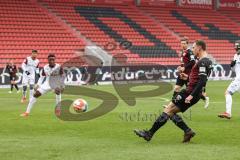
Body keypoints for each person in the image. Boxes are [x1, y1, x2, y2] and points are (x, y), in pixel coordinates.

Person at [134, 40, 212, 143]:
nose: (192, 50)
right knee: (169, 111)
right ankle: (187, 131)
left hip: (189, 92)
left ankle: (149, 134)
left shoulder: (202, 61)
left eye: (193, 48)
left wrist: (191, 95)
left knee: (168, 110)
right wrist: (187, 77)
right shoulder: (207, 61)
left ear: (199, 48)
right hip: (192, 92)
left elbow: (202, 81)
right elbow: (199, 79)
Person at [218, 40, 240, 119]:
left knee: (227, 93)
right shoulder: (235, 56)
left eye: (237, 47)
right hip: (238, 78)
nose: (236, 49)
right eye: (236, 47)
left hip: (239, 79)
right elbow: (234, 70)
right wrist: (232, 66)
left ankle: (228, 112)